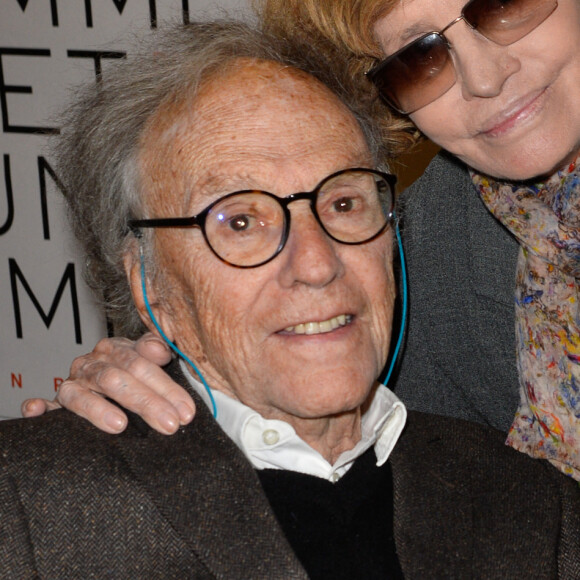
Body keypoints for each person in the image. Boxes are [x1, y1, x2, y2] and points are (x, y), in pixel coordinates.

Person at [3, 18, 579, 579]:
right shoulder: (31, 507)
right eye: (242, 221)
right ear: (149, 281)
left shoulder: (532, 500)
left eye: (345, 204)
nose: (316, 263)